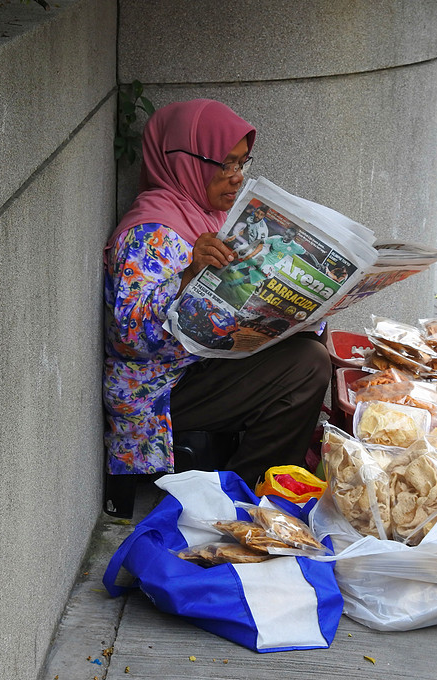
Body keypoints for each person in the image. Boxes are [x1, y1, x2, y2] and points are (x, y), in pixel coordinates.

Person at [102, 99, 331, 517]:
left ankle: (260, 481)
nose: (236, 178)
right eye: (224, 165)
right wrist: (187, 277)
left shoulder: (203, 215)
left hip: (199, 365)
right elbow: (132, 338)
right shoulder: (151, 231)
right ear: (184, 160)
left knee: (312, 341)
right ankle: (243, 502)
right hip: (161, 389)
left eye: (241, 164)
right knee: (307, 365)